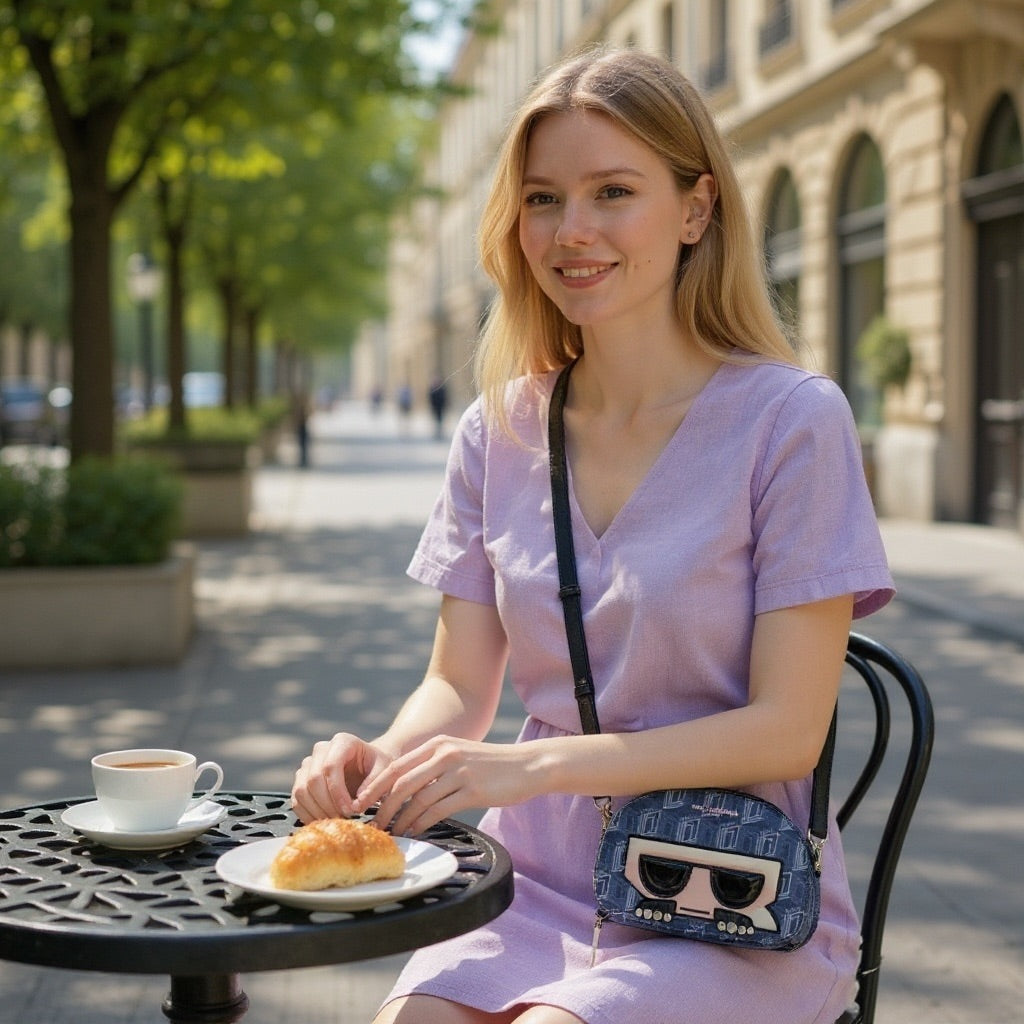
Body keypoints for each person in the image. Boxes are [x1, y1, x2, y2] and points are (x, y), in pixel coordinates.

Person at [292, 47, 894, 1024]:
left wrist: (528, 766)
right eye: (542, 199)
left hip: (725, 890)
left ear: (696, 209)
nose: (571, 231)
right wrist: (377, 762)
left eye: (612, 191)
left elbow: (791, 727)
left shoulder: (792, 422)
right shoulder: (496, 431)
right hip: (528, 880)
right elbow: (458, 684)